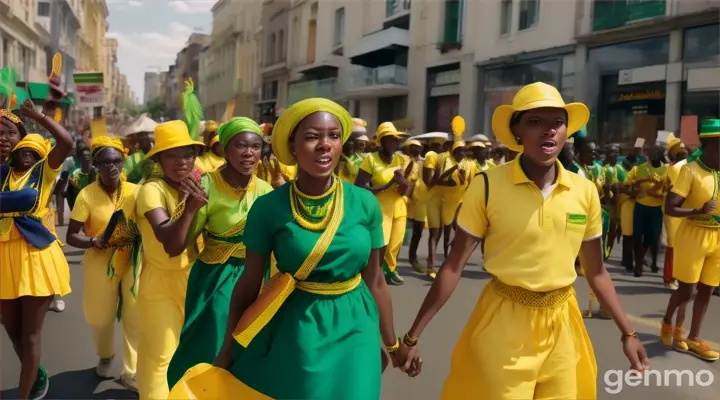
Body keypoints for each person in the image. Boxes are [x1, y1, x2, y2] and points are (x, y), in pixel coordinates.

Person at [395, 82, 648, 399]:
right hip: (504, 321)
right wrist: (412, 337)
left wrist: (628, 333)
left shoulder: (584, 191)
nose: (548, 131)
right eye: (534, 122)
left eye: (556, 122)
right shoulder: (487, 185)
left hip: (562, 323)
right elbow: (453, 266)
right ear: (517, 132)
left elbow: (596, 272)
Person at [170, 98, 399, 399]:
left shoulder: (364, 202)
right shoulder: (269, 208)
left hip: (357, 324)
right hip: (299, 326)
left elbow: (376, 281)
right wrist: (228, 351)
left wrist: (394, 345)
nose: (324, 145)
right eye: (312, 137)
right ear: (292, 147)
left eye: (333, 136)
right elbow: (250, 283)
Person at [166, 117, 273, 387]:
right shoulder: (205, 186)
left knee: (252, 351)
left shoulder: (267, 191)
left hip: (257, 275)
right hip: (216, 279)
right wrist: (189, 208)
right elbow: (175, 246)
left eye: (255, 146)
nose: (248, 153)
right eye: (240, 146)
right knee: (210, 347)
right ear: (225, 149)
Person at [0, 94, 74, 400]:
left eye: (10, 133)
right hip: (4, 258)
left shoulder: (42, 172)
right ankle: (37, 373)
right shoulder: (3, 174)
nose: (5, 139)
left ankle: (24, 395)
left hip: (35, 259)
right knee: (13, 332)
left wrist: (39, 118)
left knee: (30, 336)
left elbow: (66, 144)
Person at [134, 120, 206, 399]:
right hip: (159, 282)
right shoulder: (151, 190)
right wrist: (189, 208)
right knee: (161, 355)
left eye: (187, 154)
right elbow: (171, 244)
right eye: (172, 155)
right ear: (159, 160)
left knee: (187, 353)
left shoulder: (199, 182)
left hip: (194, 279)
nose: (181, 162)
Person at [65, 136, 140, 391]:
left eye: (117, 160)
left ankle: (131, 371)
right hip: (99, 260)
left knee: (135, 314)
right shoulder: (86, 195)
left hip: (131, 259)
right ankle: (106, 353)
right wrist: (93, 241)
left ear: (123, 161)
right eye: (105, 162)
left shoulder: (136, 191)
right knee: (100, 316)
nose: (112, 167)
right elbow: (71, 235)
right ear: (96, 165)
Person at [662, 119, 720, 361]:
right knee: (688, 291)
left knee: (707, 289)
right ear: (710, 145)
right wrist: (698, 210)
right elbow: (670, 207)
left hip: (717, 238)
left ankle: (694, 337)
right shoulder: (690, 171)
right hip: (692, 235)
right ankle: (667, 320)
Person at [355, 122, 411, 286]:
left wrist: (404, 185)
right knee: (380, 246)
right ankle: (371, 280)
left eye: (397, 140)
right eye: (392, 139)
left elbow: (403, 191)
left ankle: (388, 272)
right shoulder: (370, 160)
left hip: (399, 208)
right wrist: (386, 186)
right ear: (382, 141)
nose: (396, 143)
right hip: (379, 208)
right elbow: (361, 187)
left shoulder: (400, 160)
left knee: (395, 244)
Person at [627, 141, 667, 277]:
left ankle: (645, 260)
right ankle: (638, 265)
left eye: (657, 151)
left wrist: (657, 193)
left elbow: (669, 191)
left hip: (656, 209)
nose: (654, 154)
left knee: (653, 238)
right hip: (640, 207)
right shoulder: (639, 168)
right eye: (651, 151)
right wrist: (635, 189)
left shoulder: (666, 170)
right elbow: (629, 186)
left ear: (662, 154)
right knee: (637, 237)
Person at [662, 133, 688, 290]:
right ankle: (669, 278)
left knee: (680, 246)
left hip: (682, 211)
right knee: (672, 245)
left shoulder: (681, 167)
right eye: (680, 148)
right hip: (673, 212)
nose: (684, 150)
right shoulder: (675, 168)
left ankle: (676, 276)